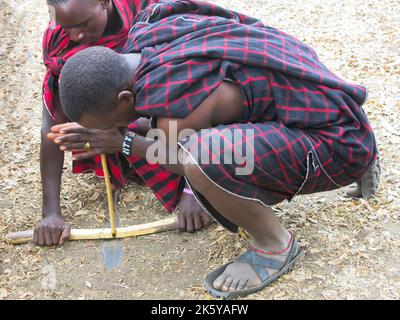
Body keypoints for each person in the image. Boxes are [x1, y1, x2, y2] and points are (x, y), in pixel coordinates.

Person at [56, 0, 379, 298]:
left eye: (110, 121)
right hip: (337, 110)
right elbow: (170, 121)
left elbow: (178, 159)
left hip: (340, 146)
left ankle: (274, 245)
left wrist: (123, 142)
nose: (114, 127)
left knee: (201, 156)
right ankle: (364, 154)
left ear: (125, 99)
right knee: (203, 145)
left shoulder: (175, 101)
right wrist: (124, 131)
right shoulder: (153, 32)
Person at [36, 0, 211, 247]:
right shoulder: (60, 42)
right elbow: (52, 124)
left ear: (104, 2)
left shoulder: (152, 14)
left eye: (83, 24)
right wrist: (51, 213)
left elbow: (200, 95)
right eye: (68, 27)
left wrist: (195, 191)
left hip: (173, 124)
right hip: (126, 123)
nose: (78, 35)